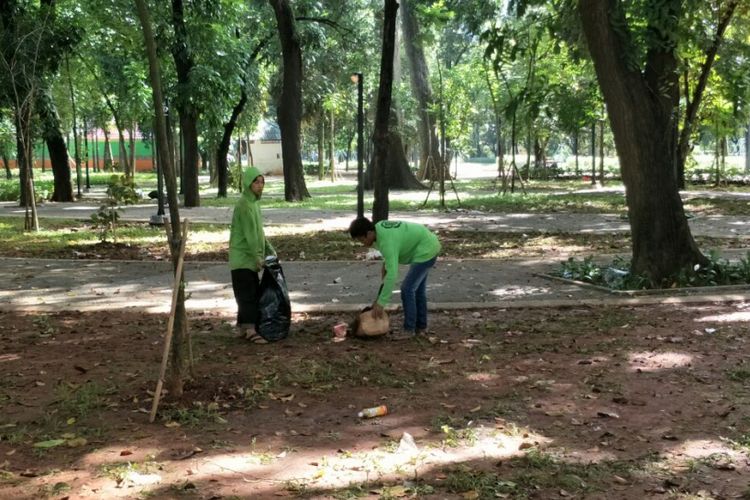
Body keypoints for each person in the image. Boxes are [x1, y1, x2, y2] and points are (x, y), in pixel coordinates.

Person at [348, 217, 441, 340]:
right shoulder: (379, 228)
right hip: (426, 244)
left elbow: (392, 275)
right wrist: (386, 265)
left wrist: (381, 303)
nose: (362, 243)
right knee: (417, 290)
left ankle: (409, 329)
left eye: (362, 239)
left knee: (407, 289)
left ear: (369, 233)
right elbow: (392, 251)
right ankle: (421, 327)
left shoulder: (386, 241)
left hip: (426, 250)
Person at [229, 166, 275, 343]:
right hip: (242, 257)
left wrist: (269, 249)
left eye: (262, 181)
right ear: (248, 183)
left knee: (249, 291)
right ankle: (250, 330)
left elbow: (259, 232)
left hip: (249, 257)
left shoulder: (254, 203)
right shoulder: (244, 205)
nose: (260, 185)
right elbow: (250, 234)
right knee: (248, 295)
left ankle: (241, 327)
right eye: (256, 182)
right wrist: (257, 257)